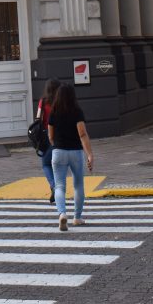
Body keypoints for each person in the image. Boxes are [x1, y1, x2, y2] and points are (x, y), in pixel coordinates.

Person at [46, 82, 94, 231]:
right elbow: (82, 134)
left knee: (59, 185)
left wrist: (57, 146)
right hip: (76, 153)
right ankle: (77, 218)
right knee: (78, 185)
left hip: (58, 152)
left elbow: (50, 136)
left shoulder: (54, 111)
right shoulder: (77, 111)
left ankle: (62, 214)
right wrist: (90, 154)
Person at [35, 79, 60, 204]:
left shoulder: (43, 101)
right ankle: (57, 189)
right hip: (59, 136)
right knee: (58, 164)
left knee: (46, 164)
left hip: (46, 137)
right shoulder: (60, 102)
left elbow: (37, 118)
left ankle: (54, 186)